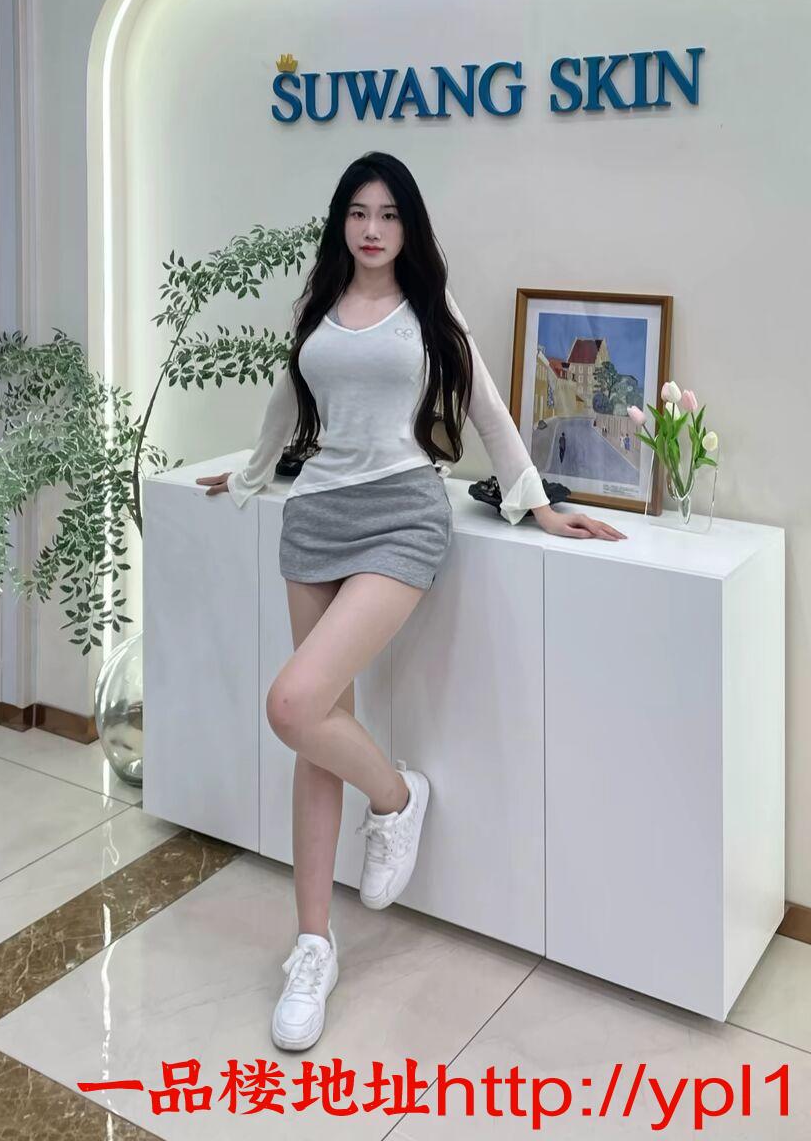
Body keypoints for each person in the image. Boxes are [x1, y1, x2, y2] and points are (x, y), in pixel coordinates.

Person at [196, 151, 627, 1052]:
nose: (372, 229)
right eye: (358, 213)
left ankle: (395, 799)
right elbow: (286, 400)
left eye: (389, 214)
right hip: (314, 516)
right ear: (341, 223)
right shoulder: (317, 304)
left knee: (293, 704)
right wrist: (248, 474)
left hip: (402, 514)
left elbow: (488, 408)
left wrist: (539, 505)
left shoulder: (431, 309)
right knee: (318, 733)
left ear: (409, 227)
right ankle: (313, 946)